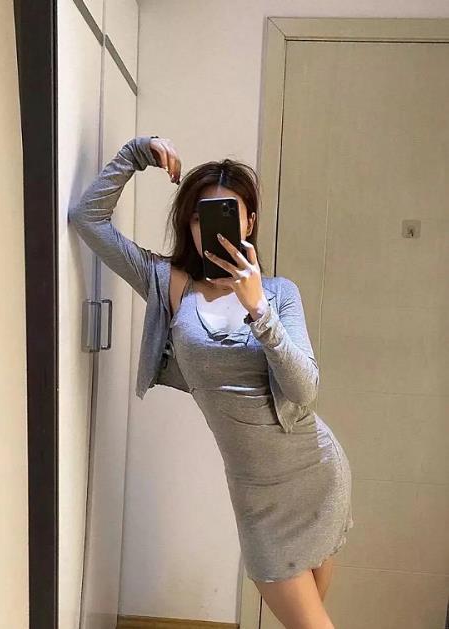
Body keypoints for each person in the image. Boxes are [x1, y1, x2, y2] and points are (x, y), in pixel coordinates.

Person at [68, 135, 354, 629]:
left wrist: (258, 308)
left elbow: (304, 390)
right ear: (190, 224)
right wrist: (135, 155)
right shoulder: (169, 283)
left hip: (315, 475)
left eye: (228, 213)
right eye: (202, 217)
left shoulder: (279, 294)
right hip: (255, 495)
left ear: (249, 222)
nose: (211, 227)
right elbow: (87, 219)